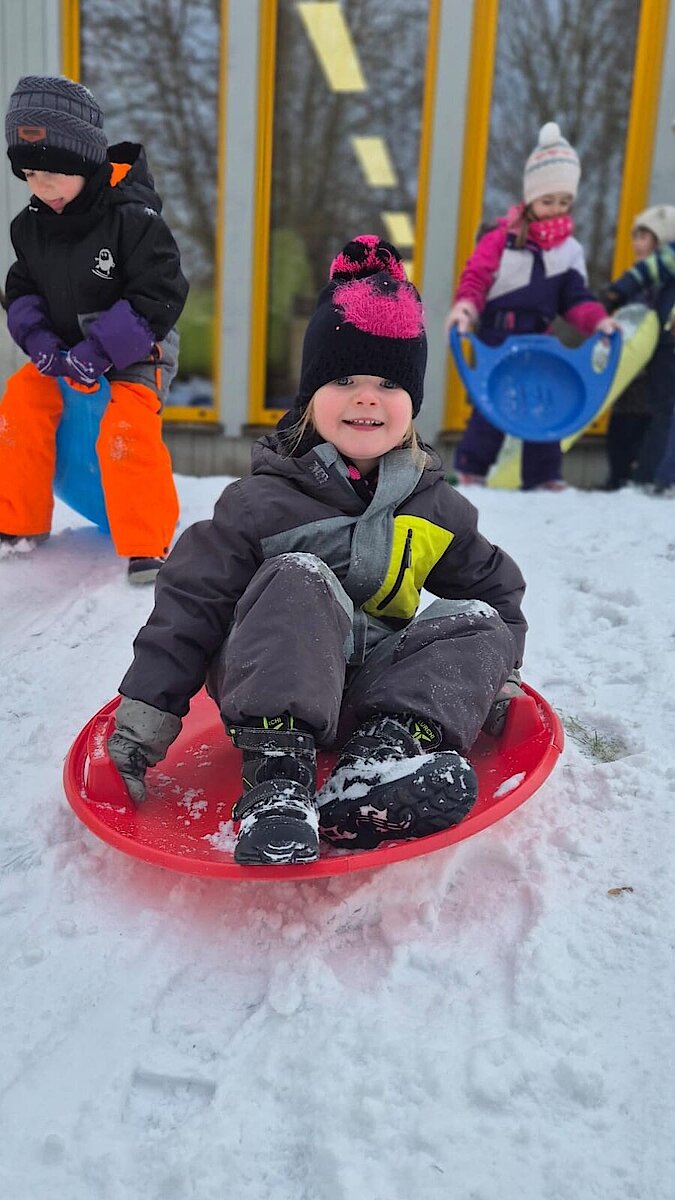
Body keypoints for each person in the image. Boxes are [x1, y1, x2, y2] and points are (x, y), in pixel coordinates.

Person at [107, 234, 528, 867]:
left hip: (376, 694)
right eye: (344, 379)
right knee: (299, 576)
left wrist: (496, 678)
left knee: (478, 619)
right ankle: (277, 785)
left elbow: (496, 590)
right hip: (273, 685)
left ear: (412, 403)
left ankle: (377, 764)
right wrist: (141, 728)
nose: (367, 397)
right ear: (309, 395)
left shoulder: (434, 506)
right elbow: (189, 609)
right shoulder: (260, 504)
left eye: (389, 382)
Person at [0, 75, 188, 583]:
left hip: (137, 349)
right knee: (19, 403)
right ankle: (17, 521)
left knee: (127, 426)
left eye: (53, 173)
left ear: (84, 160)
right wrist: (39, 341)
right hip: (64, 352)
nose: (41, 186)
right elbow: (21, 289)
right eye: (30, 174)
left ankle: (147, 543)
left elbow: (160, 293)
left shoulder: (134, 219)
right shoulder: (30, 226)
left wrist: (102, 349)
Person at [447, 122, 616, 491]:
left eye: (564, 202)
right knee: (492, 403)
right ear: (531, 197)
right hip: (497, 334)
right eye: (548, 201)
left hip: (539, 337)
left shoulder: (569, 251)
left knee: (546, 401)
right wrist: (465, 309)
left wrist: (598, 322)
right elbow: (476, 278)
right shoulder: (501, 241)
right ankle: (472, 470)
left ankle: (544, 476)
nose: (556, 210)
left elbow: (575, 299)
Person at [603, 205, 675, 489]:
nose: (636, 243)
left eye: (644, 236)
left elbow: (641, 276)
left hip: (659, 357)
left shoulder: (661, 269)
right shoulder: (645, 278)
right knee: (625, 424)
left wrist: (616, 293)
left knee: (657, 416)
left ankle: (649, 476)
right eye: (635, 236)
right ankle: (623, 476)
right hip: (634, 368)